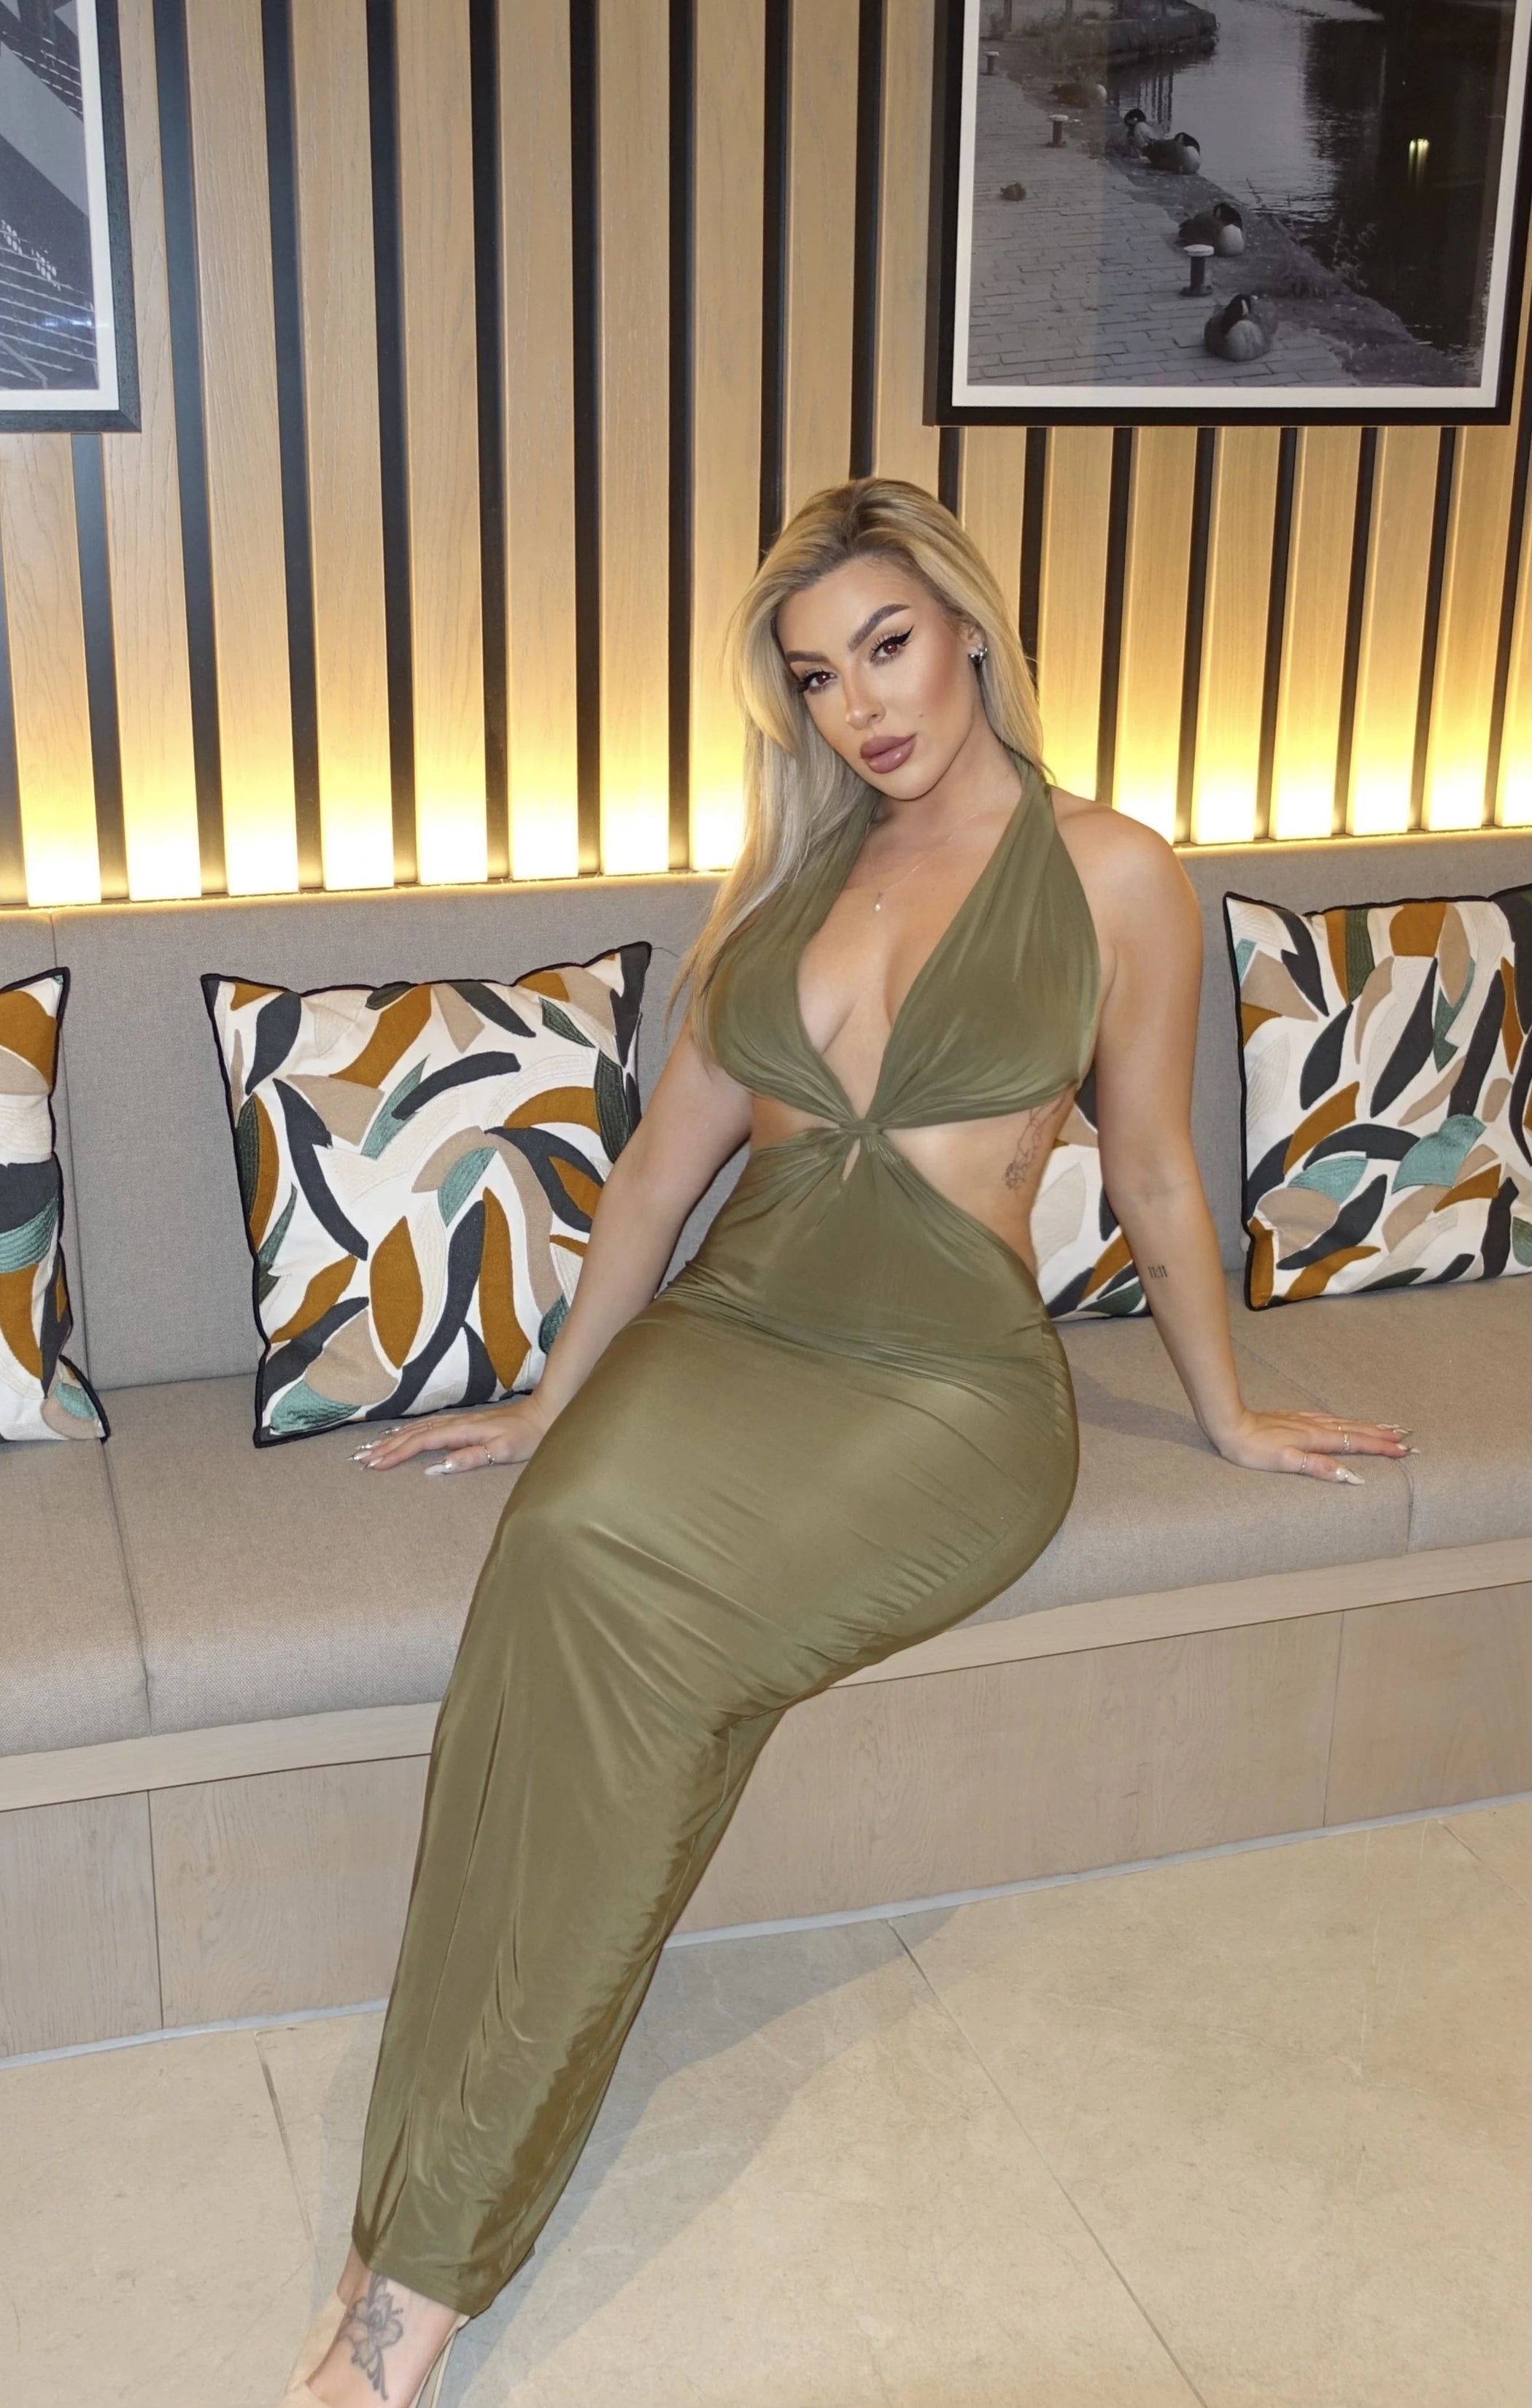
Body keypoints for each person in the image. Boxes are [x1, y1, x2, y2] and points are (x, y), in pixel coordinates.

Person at [277, 479, 1407, 2407]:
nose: (861, 703)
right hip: (737, 1322)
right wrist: (549, 1402)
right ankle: (431, 2171)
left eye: (887, 645)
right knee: (557, 1545)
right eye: (817, 675)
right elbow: (659, 1175)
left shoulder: (1112, 868)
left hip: (946, 1388)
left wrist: (1226, 1407)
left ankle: (415, 2288)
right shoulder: (787, 882)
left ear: (967, 631)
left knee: (639, 1629)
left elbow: (1151, 1163)